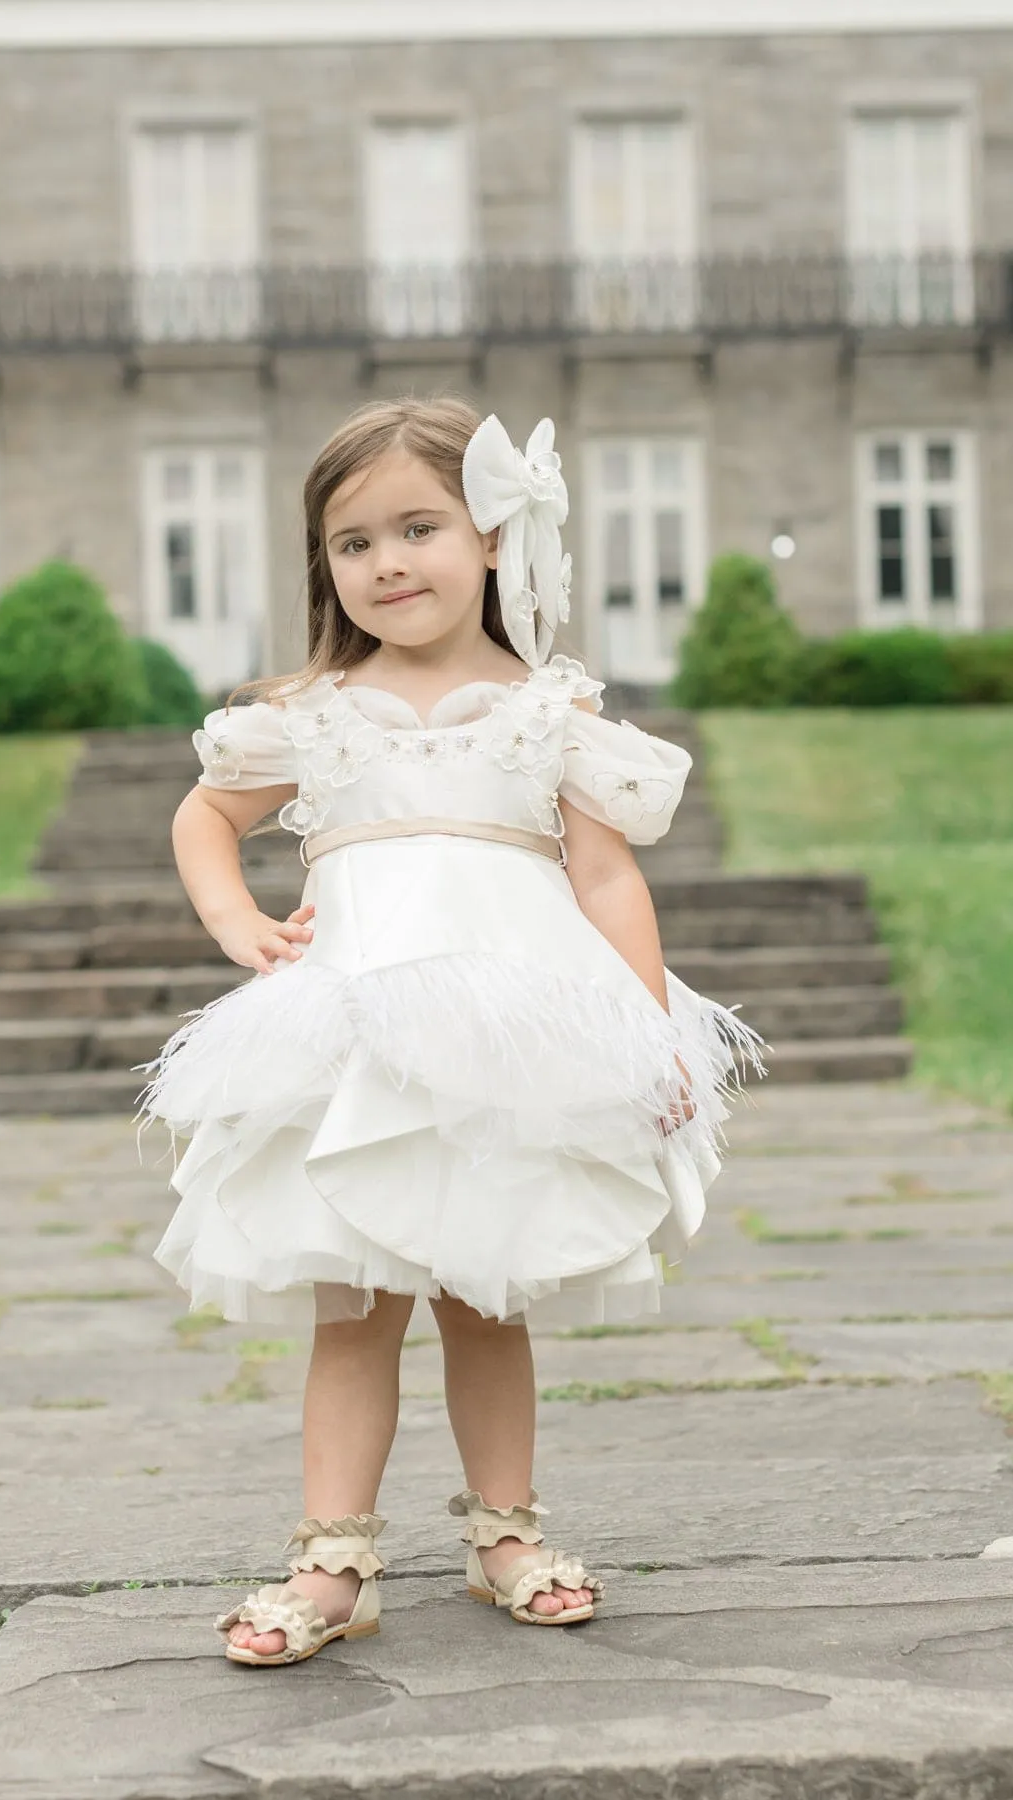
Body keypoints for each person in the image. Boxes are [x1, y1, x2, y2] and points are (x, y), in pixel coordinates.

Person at [136, 395, 765, 1668]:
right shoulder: (313, 713)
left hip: (509, 1042)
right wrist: (234, 920)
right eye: (353, 543)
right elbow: (205, 817)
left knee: (490, 1292)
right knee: (353, 1299)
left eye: (417, 527)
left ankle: (506, 1533)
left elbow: (603, 881)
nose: (386, 563)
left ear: (491, 539)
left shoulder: (546, 711)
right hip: (356, 1033)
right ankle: (333, 1558)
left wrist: (651, 1035)